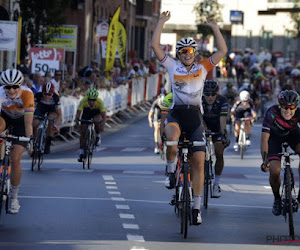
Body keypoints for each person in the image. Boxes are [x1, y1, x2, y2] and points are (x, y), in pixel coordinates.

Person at [151, 10, 227, 225]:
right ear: (179, 53)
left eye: (190, 51)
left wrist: (214, 26)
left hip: (195, 118)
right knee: (172, 141)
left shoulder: (203, 68)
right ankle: (170, 170)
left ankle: (196, 207)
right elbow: (155, 47)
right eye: (183, 51)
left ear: (195, 53)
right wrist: (161, 22)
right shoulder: (172, 66)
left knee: (199, 164)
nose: (187, 54)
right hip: (177, 114)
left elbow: (223, 50)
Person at [0, 69, 34, 214]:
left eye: (15, 86)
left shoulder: (27, 94)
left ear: (20, 86)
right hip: (5, 119)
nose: (12, 90)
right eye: (8, 87)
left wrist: (30, 141)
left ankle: (14, 197)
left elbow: (28, 123)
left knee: (15, 159)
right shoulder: (0, 93)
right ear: (3, 86)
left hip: (21, 123)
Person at [260, 90, 300, 215]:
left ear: (296, 107)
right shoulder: (271, 113)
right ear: (279, 106)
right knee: (275, 171)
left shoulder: (298, 113)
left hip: (293, 135)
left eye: (291, 107)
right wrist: (265, 160)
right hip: (274, 139)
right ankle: (277, 199)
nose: (288, 111)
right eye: (285, 107)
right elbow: (264, 139)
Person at [202, 80, 230, 198]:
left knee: (219, 152)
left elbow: (222, 120)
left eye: (213, 94)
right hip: (202, 126)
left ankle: (216, 184)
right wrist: (204, 129)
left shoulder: (222, 101)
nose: (210, 97)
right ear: (203, 93)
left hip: (217, 127)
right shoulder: (198, 100)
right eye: (207, 94)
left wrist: (223, 134)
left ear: (217, 94)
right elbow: (198, 118)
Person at [75, 88, 106, 162]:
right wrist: (77, 122)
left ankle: (98, 135)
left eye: (93, 100)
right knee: (83, 132)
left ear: (96, 99)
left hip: (96, 113)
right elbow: (78, 113)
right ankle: (82, 151)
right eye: (90, 100)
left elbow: (104, 116)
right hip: (86, 113)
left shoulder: (100, 102)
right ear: (87, 98)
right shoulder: (83, 101)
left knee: (97, 121)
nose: (91, 102)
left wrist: (102, 126)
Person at [33, 82, 62, 154]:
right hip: (41, 108)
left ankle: (48, 144)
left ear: (52, 94)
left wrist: (56, 125)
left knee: (51, 121)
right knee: (35, 124)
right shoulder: (38, 96)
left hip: (51, 109)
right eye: (45, 94)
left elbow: (59, 114)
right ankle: (36, 141)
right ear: (42, 92)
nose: (47, 97)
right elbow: (32, 109)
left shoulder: (56, 98)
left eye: (49, 95)